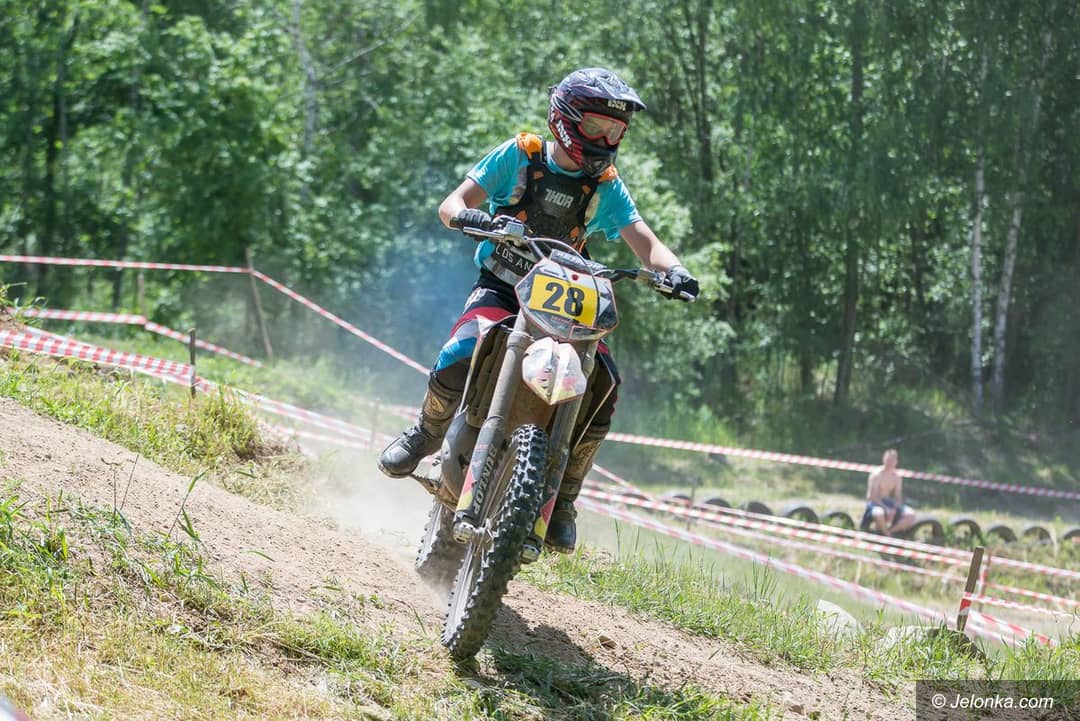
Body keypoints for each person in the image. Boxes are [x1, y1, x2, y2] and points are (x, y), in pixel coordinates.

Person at [378, 67, 699, 553]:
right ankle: (426, 432)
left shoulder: (605, 185)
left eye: (615, 132)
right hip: (503, 287)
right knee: (461, 349)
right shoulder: (520, 155)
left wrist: (674, 270)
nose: (605, 141)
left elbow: (645, 241)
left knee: (604, 382)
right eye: (596, 127)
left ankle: (564, 495)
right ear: (564, 119)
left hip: (565, 303)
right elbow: (453, 203)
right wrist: (470, 216)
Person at [860, 449, 916, 536]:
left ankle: (890, 531)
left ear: (896, 462)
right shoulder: (876, 474)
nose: (890, 462)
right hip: (874, 503)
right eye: (888, 460)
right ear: (883, 459)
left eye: (892, 460)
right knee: (879, 513)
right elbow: (872, 496)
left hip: (888, 502)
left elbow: (897, 496)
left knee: (911, 514)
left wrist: (894, 508)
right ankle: (887, 535)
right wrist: (886, 509)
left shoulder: (897, 477)